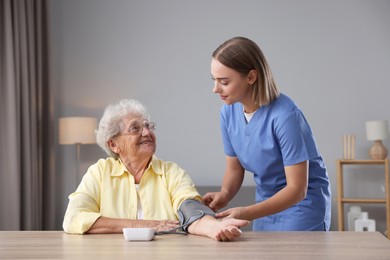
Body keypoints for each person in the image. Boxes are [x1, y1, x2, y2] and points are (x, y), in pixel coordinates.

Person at [63, 99, 248, 241]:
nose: (146, 132)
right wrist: (143, 225)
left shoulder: (171, 172)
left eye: (148, 126)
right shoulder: (99, 173)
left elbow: (189, 209)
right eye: (135, 128)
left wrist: (214, 227)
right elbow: (73, 218)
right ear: (114, 144)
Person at [202, 36, 331, 231]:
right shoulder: (228, 112)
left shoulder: (286, 116)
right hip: (265, 204)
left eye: (224, 82)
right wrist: (225, 194)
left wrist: (248, 212)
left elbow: (297, 190)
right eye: (214, 80)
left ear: (251, 77)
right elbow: (235, 168)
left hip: (301, 206)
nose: (215, 89)